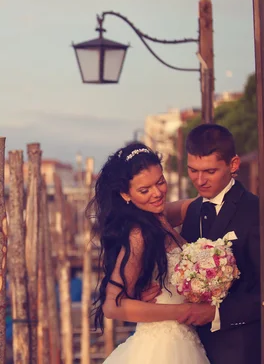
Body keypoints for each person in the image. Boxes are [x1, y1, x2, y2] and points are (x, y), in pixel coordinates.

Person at [88, 142, 210, 364]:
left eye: (160, 182)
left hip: (184, 339)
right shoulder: (138, 234)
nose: (157, 193)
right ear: (126, 194)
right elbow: (112, 305)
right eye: (144, 190)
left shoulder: (160, 217)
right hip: (164, 346)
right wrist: (185, 311)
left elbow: (194, 206)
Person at [169, 123, 260, 364]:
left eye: (210, 171)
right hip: (191, 347)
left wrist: (217, 313)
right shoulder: (192, 211)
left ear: (233, 165)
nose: (200, 181)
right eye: (193, 170)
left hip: (240, 349)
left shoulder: (255, 211)